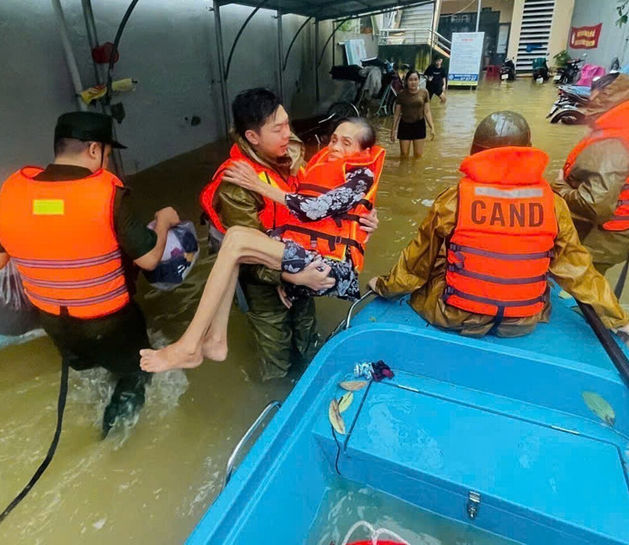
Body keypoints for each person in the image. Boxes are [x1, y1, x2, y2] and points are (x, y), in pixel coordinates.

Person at [0, 111, 181, 437]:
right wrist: (164, 219)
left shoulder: (12, 193)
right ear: (94, 150)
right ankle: (114, 441)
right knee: (137, 374)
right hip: (109, 321)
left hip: (55, 323)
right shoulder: (106, 194)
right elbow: (150, 260)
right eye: (108, 155)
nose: (107, 163)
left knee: (88, 368)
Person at [139, 118, 385, 373]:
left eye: (345, 143)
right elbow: (298, 222)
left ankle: (195, 344)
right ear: (253, 137)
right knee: (235, 242)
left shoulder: (358, 174)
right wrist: (285, 276)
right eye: (333, 139)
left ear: (365, 152)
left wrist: (258, 185)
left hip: (334, 269)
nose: (334, 146)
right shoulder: (246, 181)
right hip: (295, 268)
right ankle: (214, 341)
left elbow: (314, 208)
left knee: (236, 240)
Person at [368, 111, 629, 337]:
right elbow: (577, 270)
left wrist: (383, 286)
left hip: (457, 316)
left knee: (439, 255)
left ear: (475, 151)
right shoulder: (553, 203)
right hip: (522, 323)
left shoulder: (454, 200)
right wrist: (619, 318)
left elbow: (415, 264)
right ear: (528, 151)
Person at [197, 89, 378, 380]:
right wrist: (286, 276)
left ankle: (310, 384)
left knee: (308, 342)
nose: (288, 134)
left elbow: (323, 207)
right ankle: (275, 401)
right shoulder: (236, 186)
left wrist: (364, 217)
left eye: (287, 124)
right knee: (276, 357)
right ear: (252, 137)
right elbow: (247, 255)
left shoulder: (291, 159)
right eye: (278, 128)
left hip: (301, 269)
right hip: (263, 287)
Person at [554, 78, 629, 274]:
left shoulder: (614, 146)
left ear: (604, 97)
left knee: (582, 292)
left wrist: (559, 186)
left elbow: (593, 205)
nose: (590, 100)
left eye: (594, 95)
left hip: (596, 240)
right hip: (619, 235)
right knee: (593, 288)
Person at [391, 70, 435, 158]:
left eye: (415, 79)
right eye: (411, 80)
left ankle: (416, 171)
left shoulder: (424, 92)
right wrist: (393, 130)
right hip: (404, 125)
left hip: (419, 125)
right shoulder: (401, 94)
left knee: (418, 155)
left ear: (419, 80)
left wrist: (432, 127)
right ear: (406, 81)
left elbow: (427, 111)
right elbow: (396, 114)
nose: (413, 82)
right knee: (404, 154)